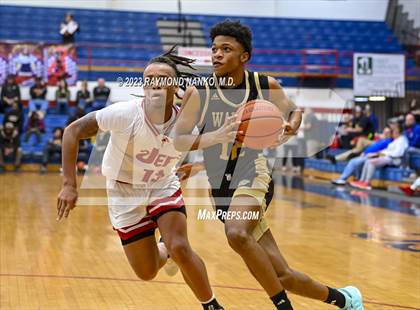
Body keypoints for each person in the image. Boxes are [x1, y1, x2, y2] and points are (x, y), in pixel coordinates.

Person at [174, 20, 363, 310]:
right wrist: (213, 139)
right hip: (220, 186)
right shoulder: (198, 92)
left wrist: (291, 125)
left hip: (254, 173)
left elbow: (294, 110)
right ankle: (346, 299)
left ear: (244, 56)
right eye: (214, 49)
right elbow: (181, 139)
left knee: (236, 234)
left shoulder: (264, 84)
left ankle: (283, 307)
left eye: (226, 49)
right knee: (282, 274)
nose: (217, 55)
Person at [56, 48, 224, 310]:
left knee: (180, 246)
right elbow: (72, 131)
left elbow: (198, 146)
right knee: (146, 272)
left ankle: (212, 305)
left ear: (174, 87)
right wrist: (69, 184)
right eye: (149, 78)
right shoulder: (125, 113)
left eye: (162, 78)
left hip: (162, 186)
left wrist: (195, 166)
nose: (154, 82)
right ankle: (162, 248)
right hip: (124, 193)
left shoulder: (186, 120)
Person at [350, 123, 409, 190]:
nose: (393, 133)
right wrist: (378, 153)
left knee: (371, 162)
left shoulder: (402, 140)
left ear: (398, 132)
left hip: (394, 160)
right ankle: (361, 181)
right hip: (387, 157)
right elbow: (387, 150)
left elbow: (398, 153)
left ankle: (367, 183)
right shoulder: (396, 140)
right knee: (367, 161)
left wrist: (384, 154)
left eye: (395, 131)